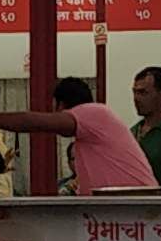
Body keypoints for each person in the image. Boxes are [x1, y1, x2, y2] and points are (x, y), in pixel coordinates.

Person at [12, 75, 153, 195]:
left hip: (132, 211)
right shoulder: (91, 136)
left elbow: (34, 122)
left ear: (60, 104)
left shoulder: (94, 113)